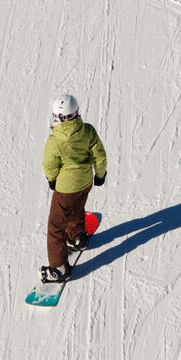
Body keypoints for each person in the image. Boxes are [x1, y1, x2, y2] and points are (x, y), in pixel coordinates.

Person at [40, 94, 107, 282]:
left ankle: (59, 268)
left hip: (65, 189)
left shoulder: (55, 140)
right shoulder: (88, 131)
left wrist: (52, 179)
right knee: (77, 209)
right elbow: (99, 155)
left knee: (55, 226)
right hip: (85, 183)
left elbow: (49, 164)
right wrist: (100, 175)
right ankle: (77, 238)